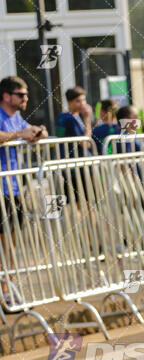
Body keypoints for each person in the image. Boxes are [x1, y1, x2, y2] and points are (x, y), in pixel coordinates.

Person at [0, 76, 48, 304]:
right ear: (6, 96)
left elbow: (28, 130)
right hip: (1, 187)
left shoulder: (15, 116)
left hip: (14, 189)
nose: (25, 98)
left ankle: (7, 288)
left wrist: (38, 132)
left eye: (26, 94)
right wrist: (20, 135)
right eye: (21, 94)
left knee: (12, 240)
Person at [56, 86, 93, 157]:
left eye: (84, 100)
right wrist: (87, 119)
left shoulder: (64, 116)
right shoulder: (70, 119)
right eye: (78, 101)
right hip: (76, 162)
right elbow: (86, 144)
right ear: (69, 103)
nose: (82, 104)